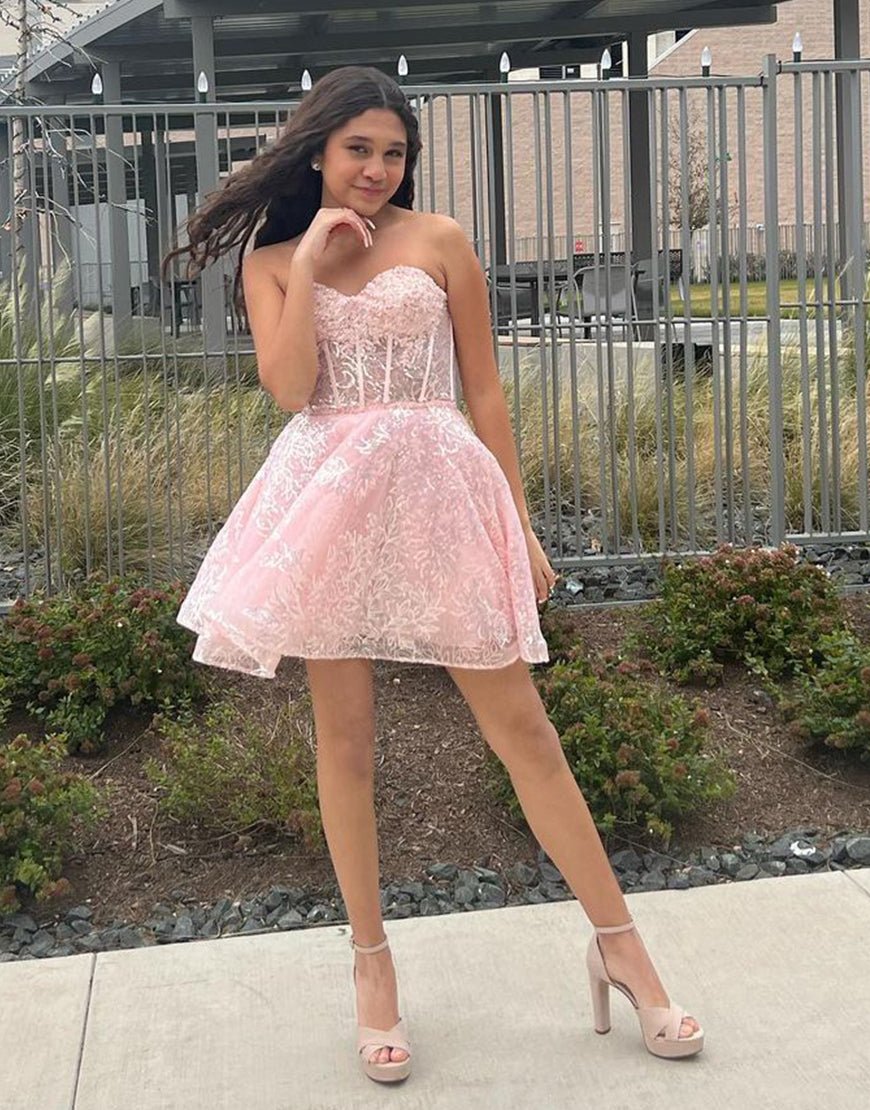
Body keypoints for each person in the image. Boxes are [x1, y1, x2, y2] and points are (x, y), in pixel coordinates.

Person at [164, 65, 703, 1086]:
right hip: (328, 505)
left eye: (393, 152)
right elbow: (292, 390)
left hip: (441, 495)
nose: (376, 169)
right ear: (317, 150)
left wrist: (521, 528)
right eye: (357, 149)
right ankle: (372, 967)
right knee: (347, 744)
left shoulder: (442, 240)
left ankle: (621, 947)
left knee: (525, 731)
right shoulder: (273, 262)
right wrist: (311, 263)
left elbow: (485, 395)